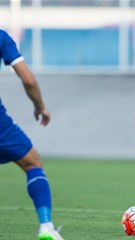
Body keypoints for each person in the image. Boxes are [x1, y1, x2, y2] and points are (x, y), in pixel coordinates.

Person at [0, 28, 64, 240]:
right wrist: (40, 106)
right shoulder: (1, 37)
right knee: (32, 163)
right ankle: (46, 226)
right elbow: (28, 80)